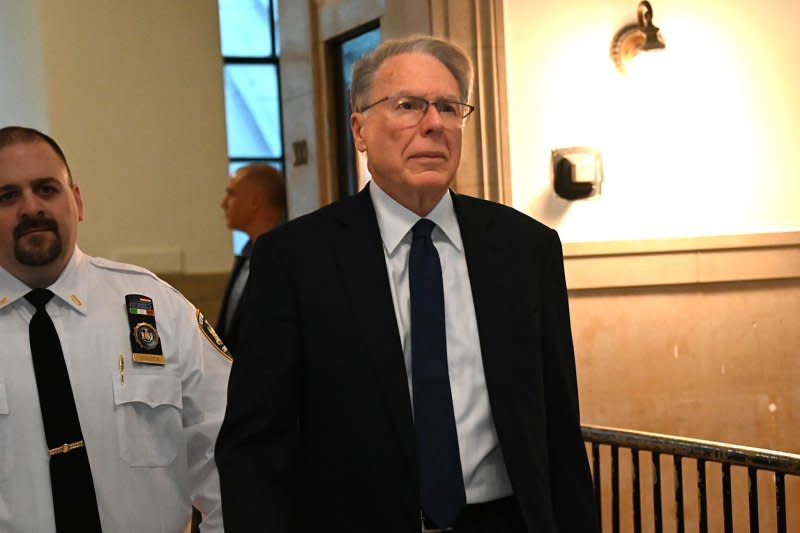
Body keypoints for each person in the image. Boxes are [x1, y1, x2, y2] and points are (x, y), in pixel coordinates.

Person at [215, 35, 598, 533]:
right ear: (360, 129)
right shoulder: (296, 260)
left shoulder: (526, 250)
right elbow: (254, 445)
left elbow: (559, 431)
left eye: (448, 107)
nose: (434, 124)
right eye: (408, 106)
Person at [0, 126, 230, 532]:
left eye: (47, 189)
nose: (31, 208)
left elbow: (230, 454)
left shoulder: (159, 310)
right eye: (7, 196)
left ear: (77, 200)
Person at [216, 163, 286, 356]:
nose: (223, 203)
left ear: (254, 201)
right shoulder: (246, 255)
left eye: (231, 194)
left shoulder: (286, 259)